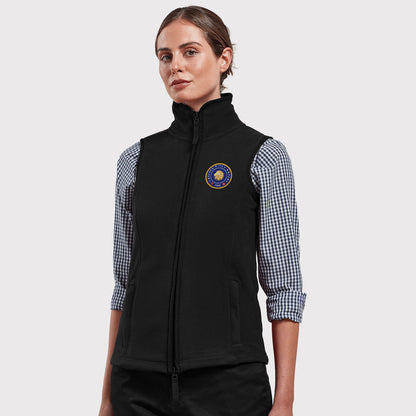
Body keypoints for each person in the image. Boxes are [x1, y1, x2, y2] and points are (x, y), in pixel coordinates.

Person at [99, 6, 307, 416]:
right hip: (137, 385)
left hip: (229, 384)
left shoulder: (263, 156)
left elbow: (284, 287)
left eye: (189, 51)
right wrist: (107, 397)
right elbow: (124, 285)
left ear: (223, 58)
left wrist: (284, 401)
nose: (175, 65)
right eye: (165, 56)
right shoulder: (135, 160)